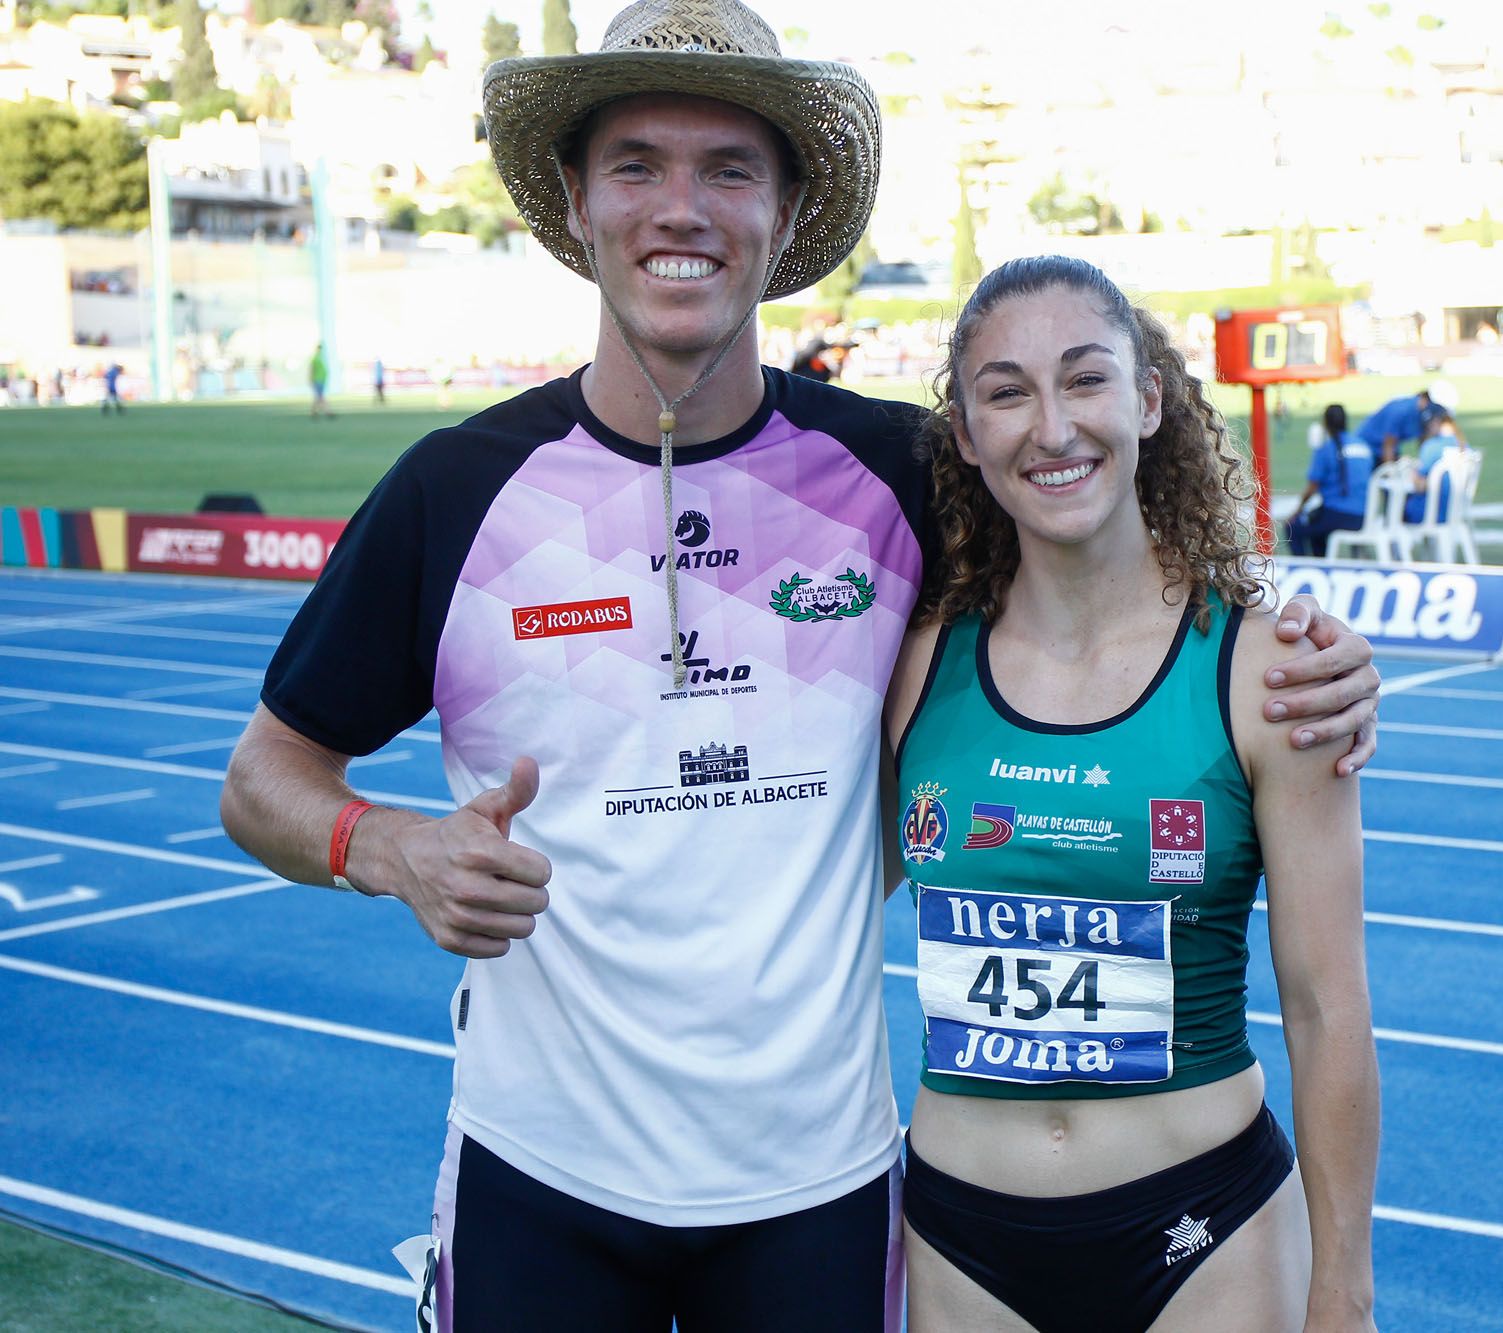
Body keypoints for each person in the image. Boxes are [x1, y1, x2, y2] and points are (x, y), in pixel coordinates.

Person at [219, 2, 1381, 1328]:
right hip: (539, 1168)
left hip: (816, 1189)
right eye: (638, 166)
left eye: (729, 170)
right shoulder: (456, 491)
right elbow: (265, 774)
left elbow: (1101, 525)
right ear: (576, 200)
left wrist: (1309, 653)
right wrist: (387, 847)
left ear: (784, 214)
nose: (682, 209)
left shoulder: (902, 471)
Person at [885, 256, 1378, 1332]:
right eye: (1006, 392)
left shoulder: (1267, 674)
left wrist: (1342, 1287)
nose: (1052, 428)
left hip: (1204, 1228)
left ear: (1149, 398)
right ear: (965, 435)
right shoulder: (914, 666)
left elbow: (1326, 1005)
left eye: (1086, 379)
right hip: (960, 1237)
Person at [1285, 403, 1372, 557]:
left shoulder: (1326, 449)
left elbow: (1312, 488)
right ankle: (1321, 566)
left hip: (1337, 514)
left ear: (1325, 423)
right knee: (1317, 529)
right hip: (1363, 515)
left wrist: (1296, 512)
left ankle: (1307, 569)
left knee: (1293, 527)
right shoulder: (1363, 446)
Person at [1356, 377, 1457, 465]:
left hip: (1387, 448)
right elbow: (1388, 445)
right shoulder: (1401, 411)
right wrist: (1391, 473)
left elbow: (1423, 442)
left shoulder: (1422, 415)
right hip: (1367, 449)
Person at [308, 343, 330, 418]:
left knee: (318, 397)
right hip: (317, 380)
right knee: (320, 397)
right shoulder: (315, 358)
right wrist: (311, 380)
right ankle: (328, 412)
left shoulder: (321, 358)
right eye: (319, 348)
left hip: (322, 380)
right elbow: (311, 370)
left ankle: (314, 412)